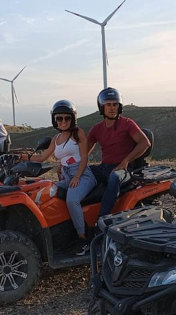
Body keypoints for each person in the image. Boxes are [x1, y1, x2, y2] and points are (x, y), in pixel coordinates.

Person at [29, 100, 97, 255]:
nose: (63, 121)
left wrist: (77, 176)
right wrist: (23, 158)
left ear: (72, 119)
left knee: (72, 200)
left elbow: (84, 157)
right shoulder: (56, 138)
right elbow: (42, 157)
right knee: (47, 192)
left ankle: (84, 239)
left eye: (67, 118)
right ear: (55, 120)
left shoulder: (77, 133)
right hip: (66, 175)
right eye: (59, 118)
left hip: (82, 174)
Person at [87, 87, 151, 217]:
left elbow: (145, 143)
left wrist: (125, 161)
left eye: (115, 104)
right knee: (83, 171)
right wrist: (70, 166)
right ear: (102, 107)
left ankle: (103, 218)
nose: (112, 108)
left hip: (124, 169)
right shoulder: (97, 129)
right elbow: (83, 152)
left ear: (119, 106)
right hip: (104, 167)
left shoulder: (127, 124)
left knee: (114, 177)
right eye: (108, 104)